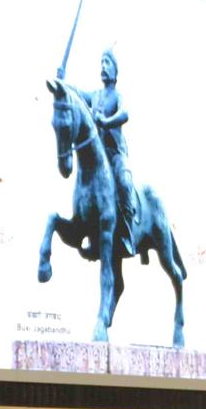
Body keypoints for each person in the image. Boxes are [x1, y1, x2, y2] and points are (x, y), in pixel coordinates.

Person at [82, 48, 138, 257]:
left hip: (115, 154)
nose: (103, 66)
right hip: (98, 156)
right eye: (101, 62)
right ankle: (89, 234)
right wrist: (61, 82)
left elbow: (125, 113)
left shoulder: (117, 96)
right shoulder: (94, 96)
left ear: (115, 70)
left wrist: (106, 121)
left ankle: (128, 234)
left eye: (107, 62)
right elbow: (75, 92)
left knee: (124, 182)